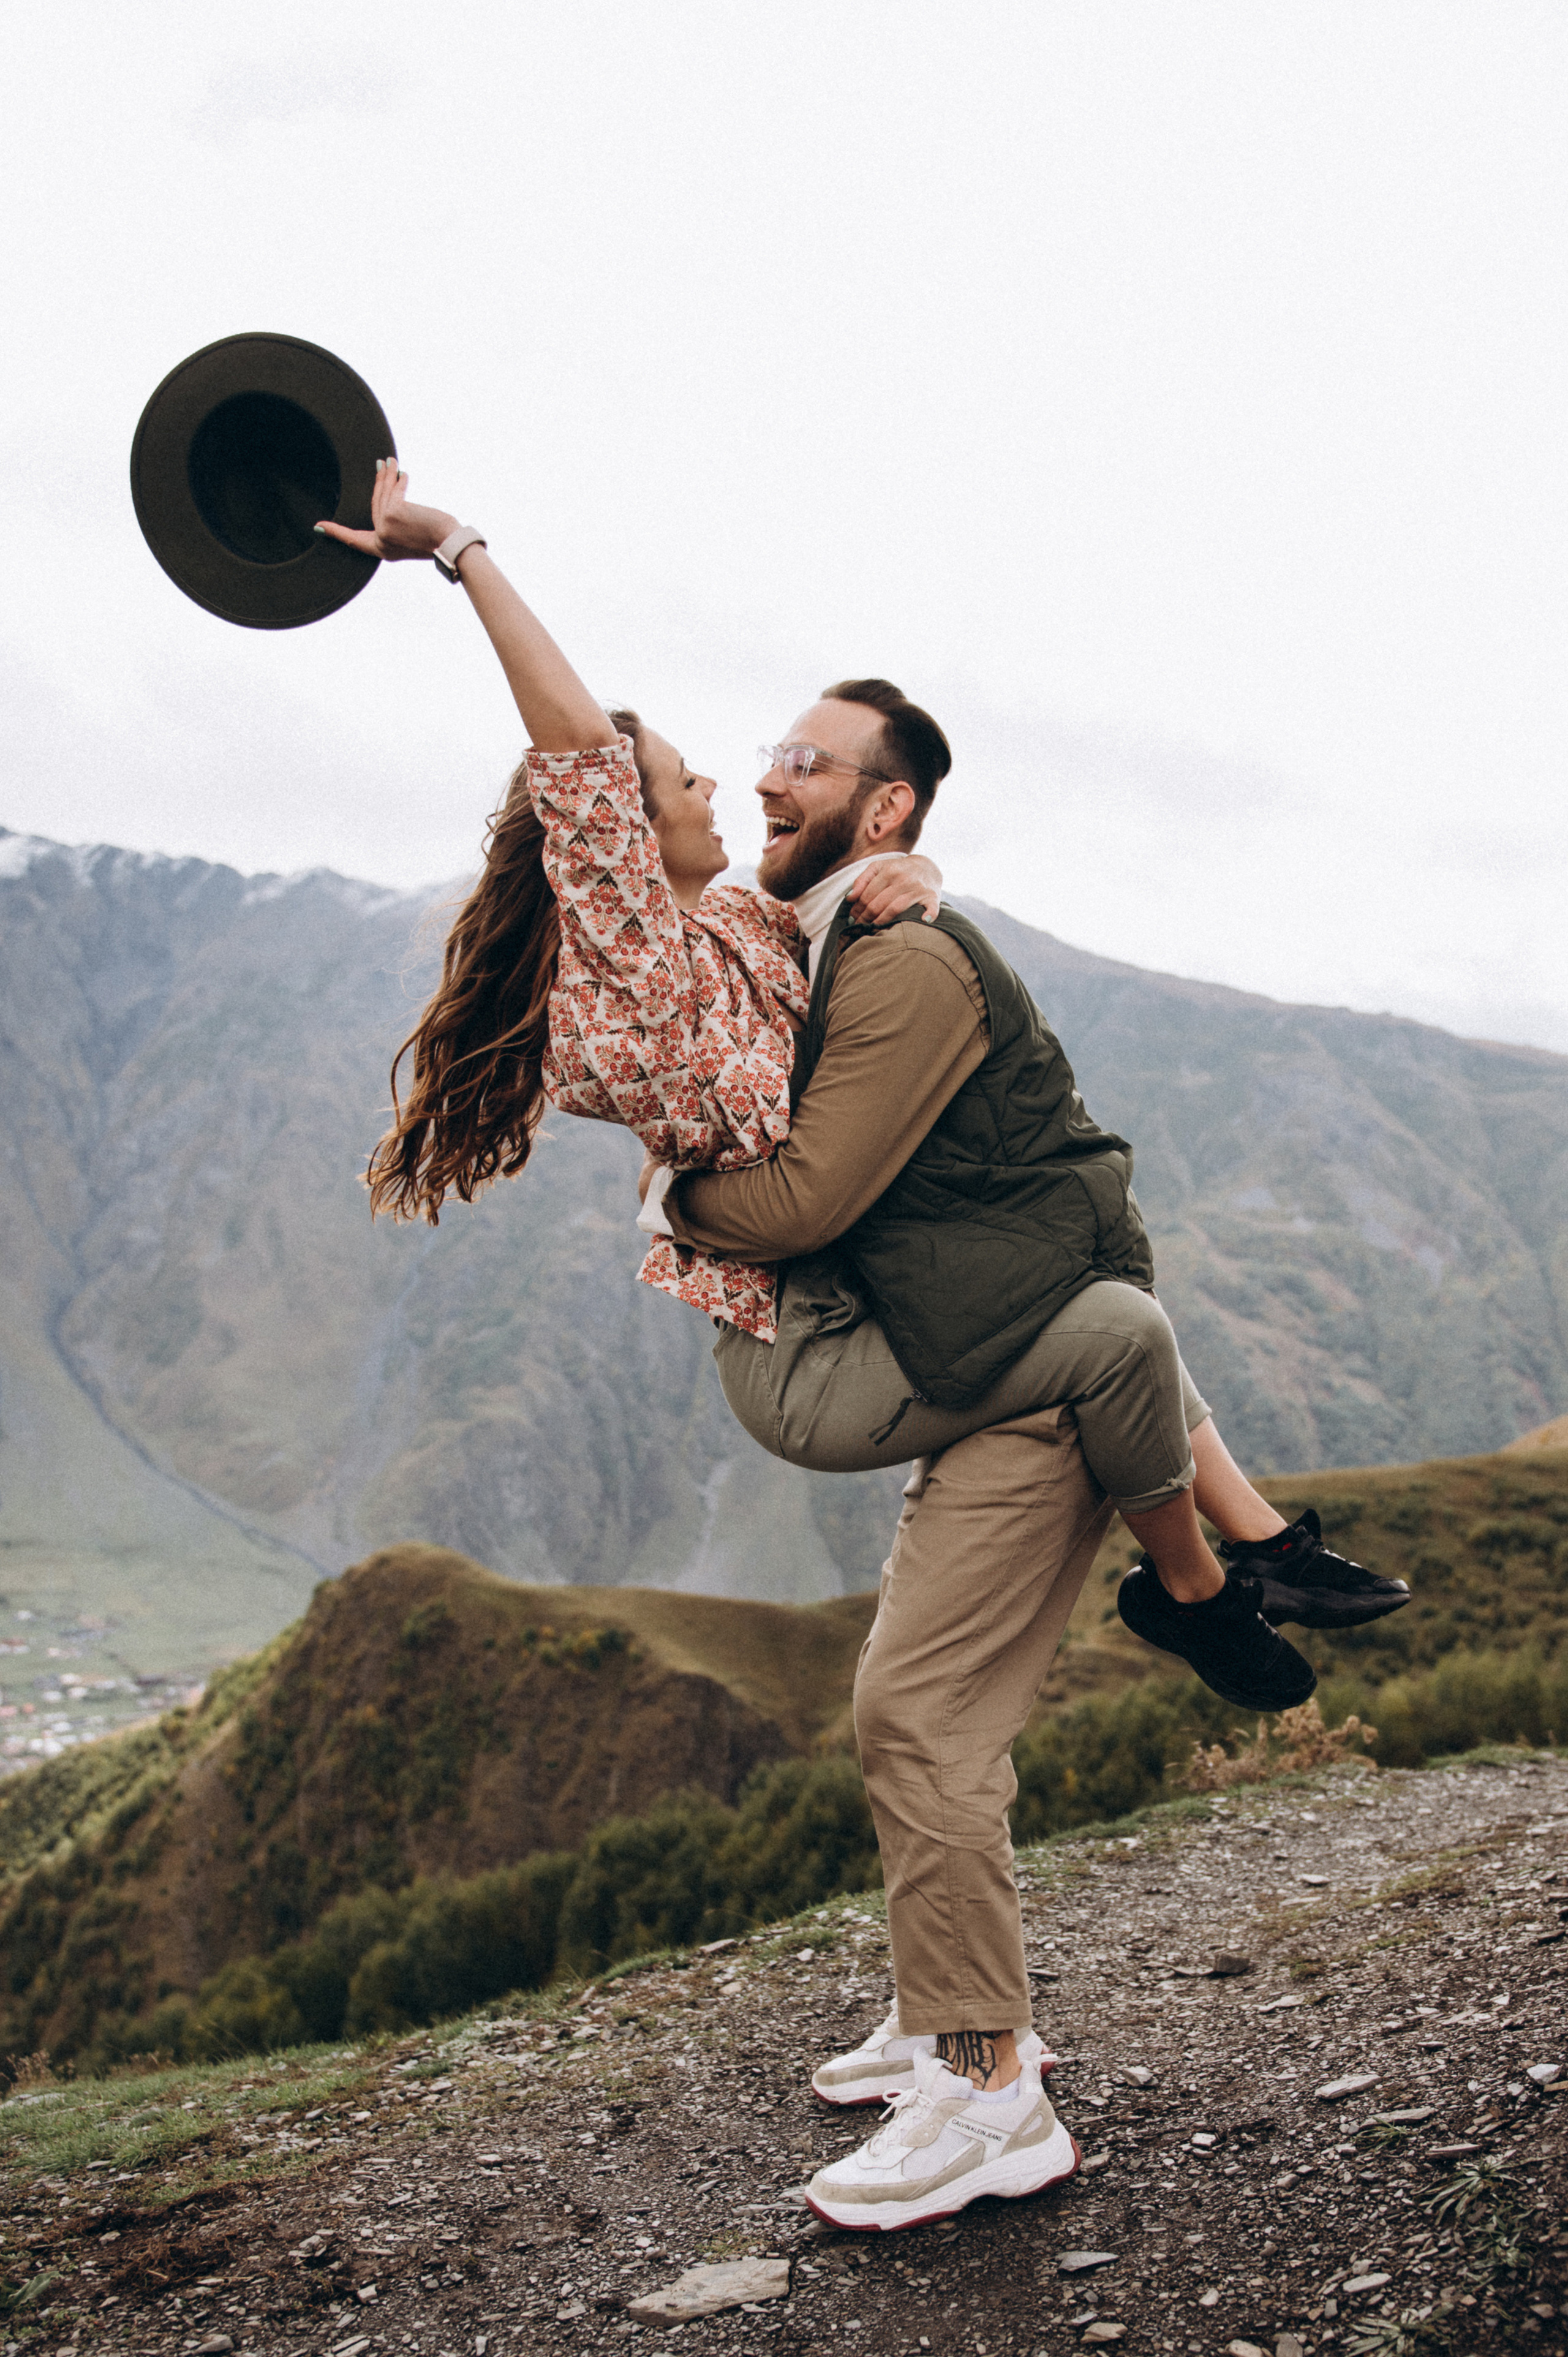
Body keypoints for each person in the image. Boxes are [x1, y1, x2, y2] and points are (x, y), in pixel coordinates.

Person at [323, 468, 1406, 2228]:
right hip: (823, 1346)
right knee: (1105, 1336)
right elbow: (584, 761)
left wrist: (905, 873)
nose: (718, 788)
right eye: (692, 783)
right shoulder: (644, 948)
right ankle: (1211, 1590)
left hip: (895, 1337)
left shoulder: (748, 925)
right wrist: (460, 558)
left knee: (941, 1665)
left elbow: (815, 913)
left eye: (743, 776)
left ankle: (984, 2072)